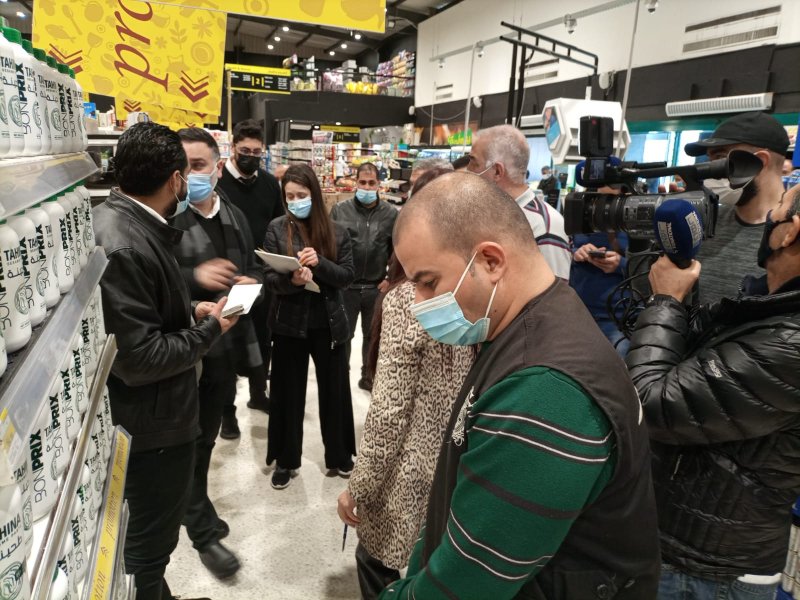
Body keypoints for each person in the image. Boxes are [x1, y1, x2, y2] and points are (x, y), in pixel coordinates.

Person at [380, 172, 660, 599]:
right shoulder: (537, 321)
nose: (418, 303)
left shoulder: (544, 390)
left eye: (428, 282)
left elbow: (468, 582)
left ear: (491, 261)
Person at [625, 183, 800, 600]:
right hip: (692, 544)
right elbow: (695, 375)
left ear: (790, 231)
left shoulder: (790, 342)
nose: (771, 217)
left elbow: (651, 405)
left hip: (708, 572)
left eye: (780, 206)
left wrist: (665, 300)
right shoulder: (768, 307)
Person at [93, 122, 238, 600]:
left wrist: (191, 311)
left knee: (148, 544)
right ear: (175, 180)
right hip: (151, 425)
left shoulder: (123, 221)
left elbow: (142, 313)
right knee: (147, 549)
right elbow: (140, 357)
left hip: (147, 418)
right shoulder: (126, 243)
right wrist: (211, 329)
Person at [336, 168, 475, 600]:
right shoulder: (483, 291)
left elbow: (389, 411)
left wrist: (358, 487)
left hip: (412, 477)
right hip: (467, 470)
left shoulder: (408, 299)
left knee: (377, 563)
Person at [172, 127, 264, 580]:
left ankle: (195, 504)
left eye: (199, 165)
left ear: (217, 165)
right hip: (184, 352)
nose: (191, 175)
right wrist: (195, 276)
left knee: (206, 439)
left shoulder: (233, 215)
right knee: (186, 441)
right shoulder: (167, 218)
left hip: (225, 347)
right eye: (184, 167)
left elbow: (252, 265)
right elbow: (155, 282)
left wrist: (251, 281)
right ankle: (202, 530)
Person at [264, 164, 356, 489]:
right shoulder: (276, 229)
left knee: (335, 391)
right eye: (289, 196)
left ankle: (340, 454)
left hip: (329, 324)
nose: (295, 201)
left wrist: (321, 263)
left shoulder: (337, 231)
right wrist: (292, 280)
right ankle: (285, 459)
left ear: (314, 195)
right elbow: (270, 279)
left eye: (301, 195)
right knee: (287, 394)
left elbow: (346, 277)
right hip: (289, 324)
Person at [216, 119, 284, 435]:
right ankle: (227, 412)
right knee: (226, 344)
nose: (251, 157)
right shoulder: (218, 184)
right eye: (245, 150)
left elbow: (279, 225)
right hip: (228, 278)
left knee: (263, 338)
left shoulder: (269, 184)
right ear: (233, 147)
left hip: (261, 277)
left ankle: (258, 393)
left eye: (257, 152)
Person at [684, 111, 789, 304]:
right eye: (710, 160)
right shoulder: (707, 221)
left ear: (760, 162)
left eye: (720, 158)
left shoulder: (792, 236)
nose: (711, 170)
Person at [468, 125, 572, 279]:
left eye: (474, 163)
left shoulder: (544, 228)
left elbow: (554, 292)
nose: (468, 170)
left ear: (497, 171)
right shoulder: (491, 213)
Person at [330, 162, 397, 391]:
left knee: (372, 336)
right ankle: (340, 375)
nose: (367, 187)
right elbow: (330, 247)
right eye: (362, 182)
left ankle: (368, 376)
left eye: (371, 183)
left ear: (379, 184)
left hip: (375, 287)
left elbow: (396, 250)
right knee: (343, 335)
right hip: (346, 287)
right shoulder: (340, 211)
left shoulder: (390, 214)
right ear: (355, 182)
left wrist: (390, 278)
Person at [570, 231, 630, 355]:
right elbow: (562, 252)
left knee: (619, 366)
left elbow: (650, 267)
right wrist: (576, 253)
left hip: (619, 319)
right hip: (580, 315)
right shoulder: (578, 224)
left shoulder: (634, 226)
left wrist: (621, 264)